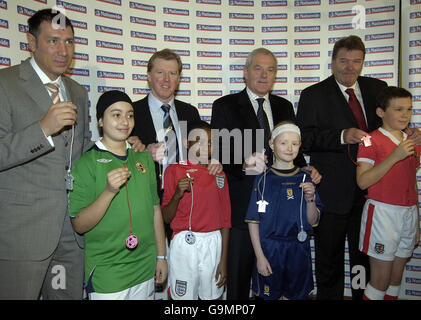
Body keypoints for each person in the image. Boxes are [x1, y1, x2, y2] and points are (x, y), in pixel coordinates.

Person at [211, 47, 321, 300]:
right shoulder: (225, 106)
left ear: (275, 75)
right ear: (245, 72)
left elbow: (293, 147)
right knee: (238, 282)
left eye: (270, 70)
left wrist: (306, 167)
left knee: (275, 282)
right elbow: (218, 154)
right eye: (257, 68)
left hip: (282, 212)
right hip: (243, 206)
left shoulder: (283, 106)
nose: (263, 75)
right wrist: (242, 164)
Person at [0, 8, 91, 299]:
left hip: (70, 231)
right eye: (53, 40)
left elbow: (80, 148)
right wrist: (42, 130)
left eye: (69, 41)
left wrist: (124, 145)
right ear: (31, 42)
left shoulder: (77, 91)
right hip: (24, 233)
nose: (63, 50)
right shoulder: (5, 84)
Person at [296, 35, 389, 300]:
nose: (350, 67)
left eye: (356, 62)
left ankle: (360, 296)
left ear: (362, 62)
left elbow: (391, 125)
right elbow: (306, 139)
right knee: (329, 259)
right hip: (332, 192)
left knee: (362, 257)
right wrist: (341, 135)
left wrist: (410, 131)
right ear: (333, 61)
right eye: (344, 61)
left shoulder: (377, 89)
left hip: (370, 191)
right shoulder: (313, 94)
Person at [69, 90, 167, 300]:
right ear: (100, 121)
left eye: (130, 115)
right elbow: (79, 225)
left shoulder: (144, 158)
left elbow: (155, 209)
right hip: (108, 271)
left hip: (144, 266)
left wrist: (161, 256)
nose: (125, 121)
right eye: (116, 114)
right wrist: (109, 192)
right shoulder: (87, 163)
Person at [131, 49, 221, 245]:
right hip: (145, 201)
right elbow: (120, 155)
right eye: (160, 72)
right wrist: (145, 153)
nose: (166, 79)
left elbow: (201, 152)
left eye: (172, 73)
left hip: (186, 203)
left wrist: (214, 162)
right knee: (153, 268)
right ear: (148, 76)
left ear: (179, 78)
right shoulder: (131, 112)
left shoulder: (190, 112)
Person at [245, 121, 323, 300]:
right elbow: (253, 221)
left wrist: (310, 199)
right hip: (269, 251)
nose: (289, 148)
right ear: (272, 144)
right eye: (283, 143)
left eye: (295, 143)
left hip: (298, 250)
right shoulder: (262, 180)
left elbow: (312, 221)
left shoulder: (306, 177)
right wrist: (260, 257)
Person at [356, 87, 420, 300]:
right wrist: (395, 156)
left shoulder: (412, 140)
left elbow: (410, 182)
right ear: (381, 112)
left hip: (408, 212)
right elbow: (362, 181)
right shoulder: (370, 140)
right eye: (399, 109)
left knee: (395, 279)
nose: (405, 114)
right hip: (383, 213)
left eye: (409, 109)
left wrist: (416, 219)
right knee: (380, 281)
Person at [161, 121, 231, 300]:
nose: (206, 147)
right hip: (184, 243)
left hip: (213, 243)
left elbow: (225, 220)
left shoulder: (219, 174)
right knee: (183, 298)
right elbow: (166, 218)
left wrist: (223, 260)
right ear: (186, 142)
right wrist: (177, 194)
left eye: (210, 142)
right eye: (199, 141)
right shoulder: (173, 171)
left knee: (212, 297)